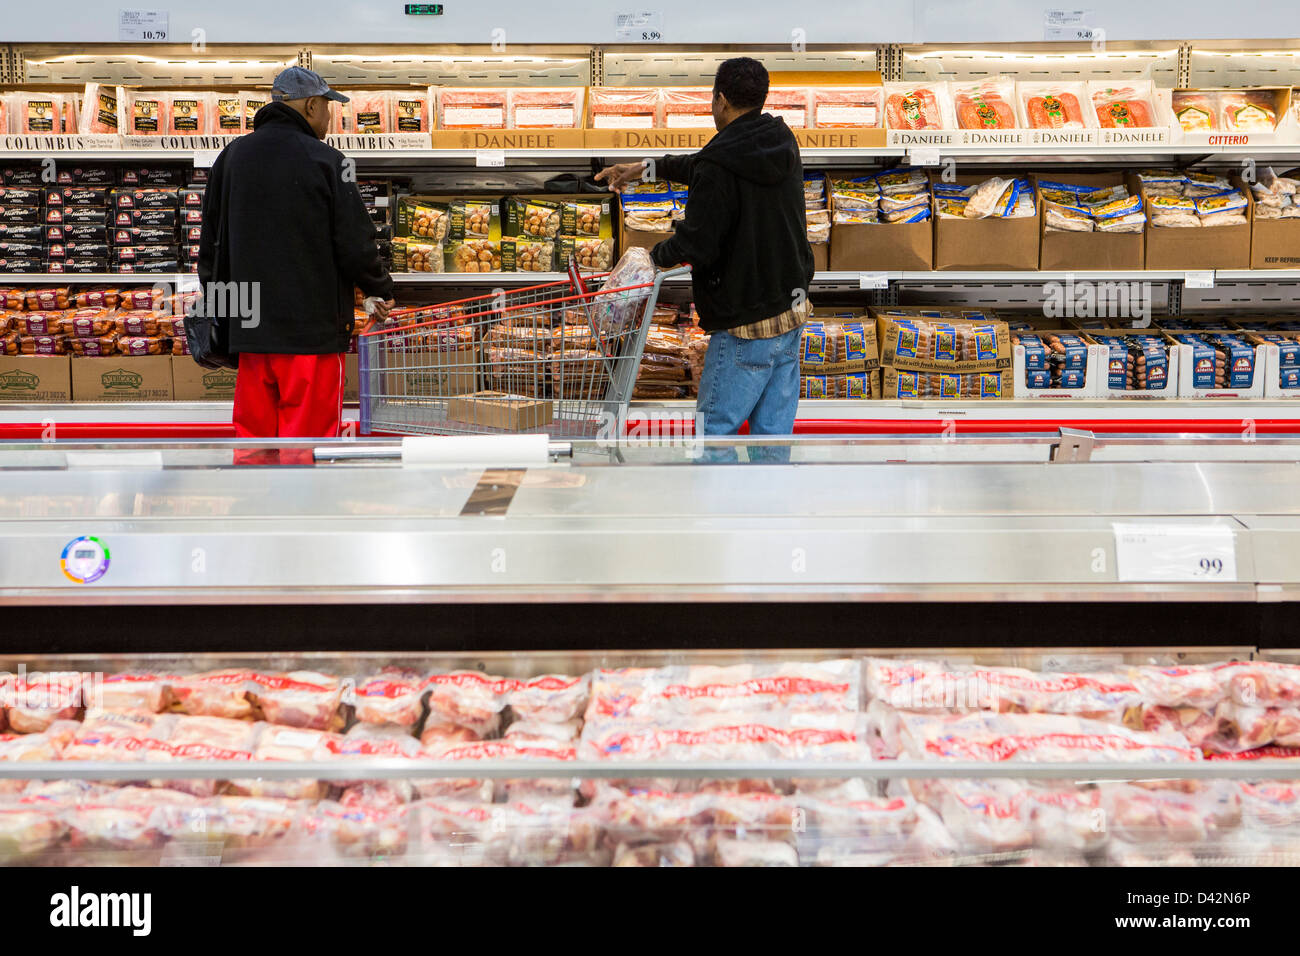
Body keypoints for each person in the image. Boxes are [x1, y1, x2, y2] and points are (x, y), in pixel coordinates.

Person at [597, 57, 813, 449]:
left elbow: (696, 243)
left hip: (744, 324)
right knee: (773, 437)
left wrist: (645, 259)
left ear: (721, 100)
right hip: (790, 312)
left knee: (715, 435)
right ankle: (775, 505)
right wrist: (646, 168)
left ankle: (718, 509)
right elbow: (705, 165)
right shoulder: (779, 139)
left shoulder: (721, 161)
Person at [198, 66, 394, 445]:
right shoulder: (330, 161)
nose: (329, 119)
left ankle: (257, 499)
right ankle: (303, 502)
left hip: (250, 335)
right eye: (327, 108)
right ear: (310, 106)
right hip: (311, 336)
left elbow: (210, 245)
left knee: (254, 439)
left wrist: (223, 315)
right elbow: (355, 241)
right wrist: (378, 288)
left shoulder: (231, 158)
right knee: (308, 441)